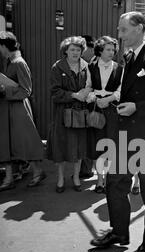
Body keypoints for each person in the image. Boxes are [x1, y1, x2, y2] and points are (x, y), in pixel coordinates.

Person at [90, 11, 145, 252]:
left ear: (139, 28)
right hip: (125, 133)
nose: (120, 34)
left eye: (124, 29)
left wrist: (137, 107)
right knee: (115, 182)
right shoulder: (129, 56)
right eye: (119, 29)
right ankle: (118, 233)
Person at [0, 31, 46, 192]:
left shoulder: (18, 62)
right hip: (8, 109)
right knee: (8, 143)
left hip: (18, 108)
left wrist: (5, 91)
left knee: (26, 141)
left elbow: (26, 90)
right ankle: (10, 176)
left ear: (5, 46)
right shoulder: (10, 61)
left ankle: (37, 172)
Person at [47, 36, 91, 193]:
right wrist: (73, 95)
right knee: (61, 147)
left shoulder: (86, 66)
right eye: (72, 49)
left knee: (79, 147)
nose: (75, 52)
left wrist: (86, 92)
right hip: (62, 114)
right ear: (65, 51)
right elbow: (54, 92)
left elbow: (90, 87)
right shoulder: (57, 67)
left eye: (78, 50)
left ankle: (76, 177)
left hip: (80, 113)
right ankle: (60, 178)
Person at [86, 36, 123, 194]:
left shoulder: (120, 68)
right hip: (96, 109)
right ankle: (99, 181)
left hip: (112, 110)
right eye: (108, 49)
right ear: (100, 50)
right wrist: (93, 97)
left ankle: (109, 179)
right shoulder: (91, 67)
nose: (112, 52)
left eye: (113, 50)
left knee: (111, 145)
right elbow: (87, 87)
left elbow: (121, 90)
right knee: (97, 145)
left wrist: (108, 99)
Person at [80, 34, 96, 179]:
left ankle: (90, 169)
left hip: (96, 107)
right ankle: (86, 168)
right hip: (85, 106)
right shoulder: (83, 63)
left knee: (93, 138)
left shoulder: (97, 62)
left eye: (83, 48)